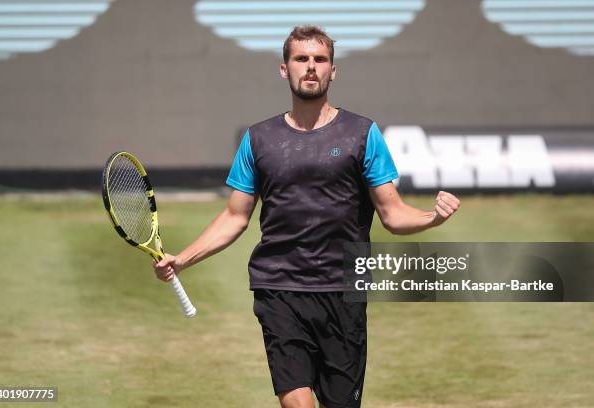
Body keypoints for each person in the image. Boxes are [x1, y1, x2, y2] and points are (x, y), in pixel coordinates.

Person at [153, 25, 460, 408]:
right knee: (296, 403)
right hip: (279, 287)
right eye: (301, 59)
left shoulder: (362, 134)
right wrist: (183, 259)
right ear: (285, 69)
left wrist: (432, 217)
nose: (311, 67)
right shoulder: (258, 139)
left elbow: (393, 214)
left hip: (344, 291)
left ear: (334, 70)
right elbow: (234, 217)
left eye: (320, 59)